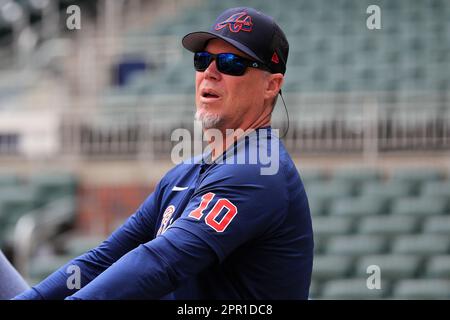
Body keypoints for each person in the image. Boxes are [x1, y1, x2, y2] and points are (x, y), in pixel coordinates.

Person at [11, 6, 313, 300]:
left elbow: (160, 263)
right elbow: (103, 259)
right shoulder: (184, 173)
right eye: (203, 59)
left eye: (231, 63)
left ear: (271, 86)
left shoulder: (259, 169)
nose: (209, 72)